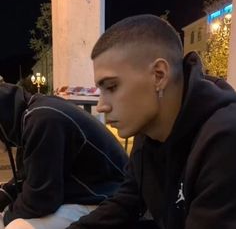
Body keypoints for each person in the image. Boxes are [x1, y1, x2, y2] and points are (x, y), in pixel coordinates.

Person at [67, 14, 236, 229]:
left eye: (111, 87)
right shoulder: (147, 133)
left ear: (159, 75)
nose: (101, 105)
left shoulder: (224, 140)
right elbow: (125, 202)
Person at [0, 82, 128, 229]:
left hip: (106, 199)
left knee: (17, 227)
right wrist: (5, 194)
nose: (101, 106)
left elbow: (41, 198)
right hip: (87, 193)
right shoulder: (33, 115)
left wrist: (6, 218)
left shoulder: (43, 120)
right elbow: (31, 175)